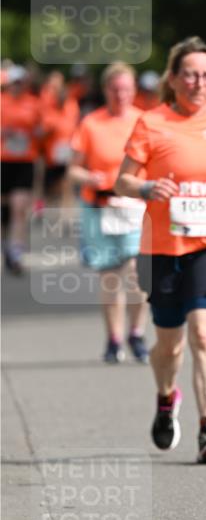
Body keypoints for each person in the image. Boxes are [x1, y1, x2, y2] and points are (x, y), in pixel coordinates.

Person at [114, 36, 206, 463]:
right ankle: (165, 397)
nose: (199, 82)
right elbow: (123, 180)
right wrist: (145, 186)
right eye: (191, 74)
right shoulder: (151, 122)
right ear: (174, 79)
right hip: (160, 245)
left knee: (203, 332)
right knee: (169, 344)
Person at [68, 62, 149, 364]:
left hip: (134, 206)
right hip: (100, 206)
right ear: (106, 90)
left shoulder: (145, 122)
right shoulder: (91, 123)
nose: (121, 95)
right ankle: (114, 339)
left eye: (127, 89)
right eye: (115, 89)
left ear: (134, 90)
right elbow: (72, 169)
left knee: (136, 274)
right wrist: (87, 177)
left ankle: (137, 333)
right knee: (110, 276)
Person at [1, 65, 41, 274]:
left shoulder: (33, 104)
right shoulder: (1, 102)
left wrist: (38, 132)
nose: (17, 86)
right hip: (3, 160)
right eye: (14, 83)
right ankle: (6, 245)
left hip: (24, 161)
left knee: (19, 207)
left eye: (20, 82)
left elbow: (42, 128)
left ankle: (16, 252)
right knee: (4, 212)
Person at [40, 71, 80, 209]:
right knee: (48, 186)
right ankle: (45, 209)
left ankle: (66, 214)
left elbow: (74, 125)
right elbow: (43, 129)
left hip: (66, 150)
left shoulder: (72, 104)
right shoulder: (47, 102)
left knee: (66, 183)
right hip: (50, 152)